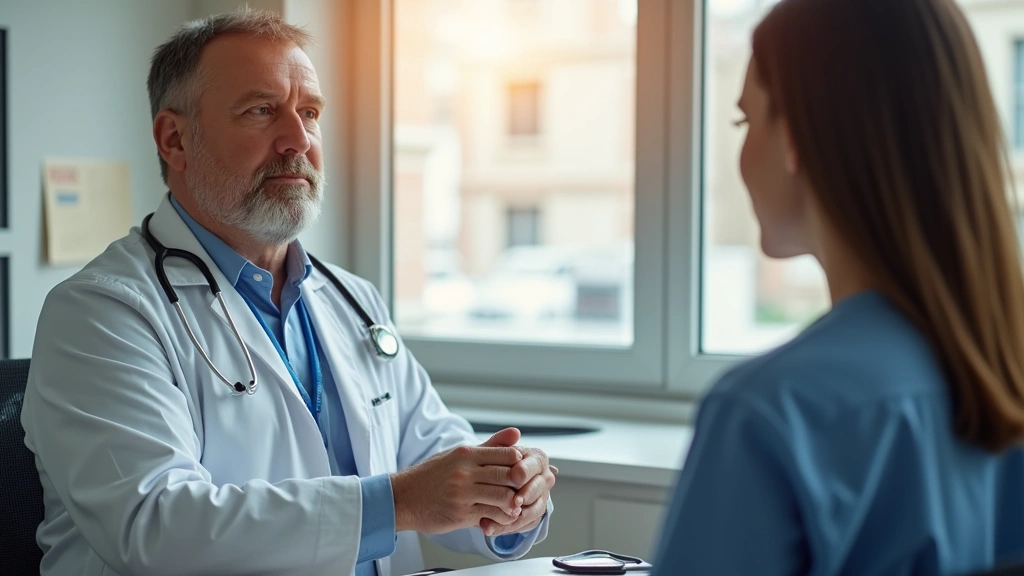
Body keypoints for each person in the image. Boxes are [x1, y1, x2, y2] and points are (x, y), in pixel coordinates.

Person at [21, 9, 555, 576]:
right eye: (261, 111)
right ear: (174, 139)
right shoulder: (100, 312)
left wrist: (507, 493)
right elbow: (155, 526)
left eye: (309, 113)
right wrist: (400, 502)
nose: (298, 139)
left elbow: (433, 458)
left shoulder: (352, 300)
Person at [652, 0, 1024, 574]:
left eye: (746, 121)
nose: (742, 156)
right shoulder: (1002, 376)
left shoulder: (769, 412)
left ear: (796, 137)